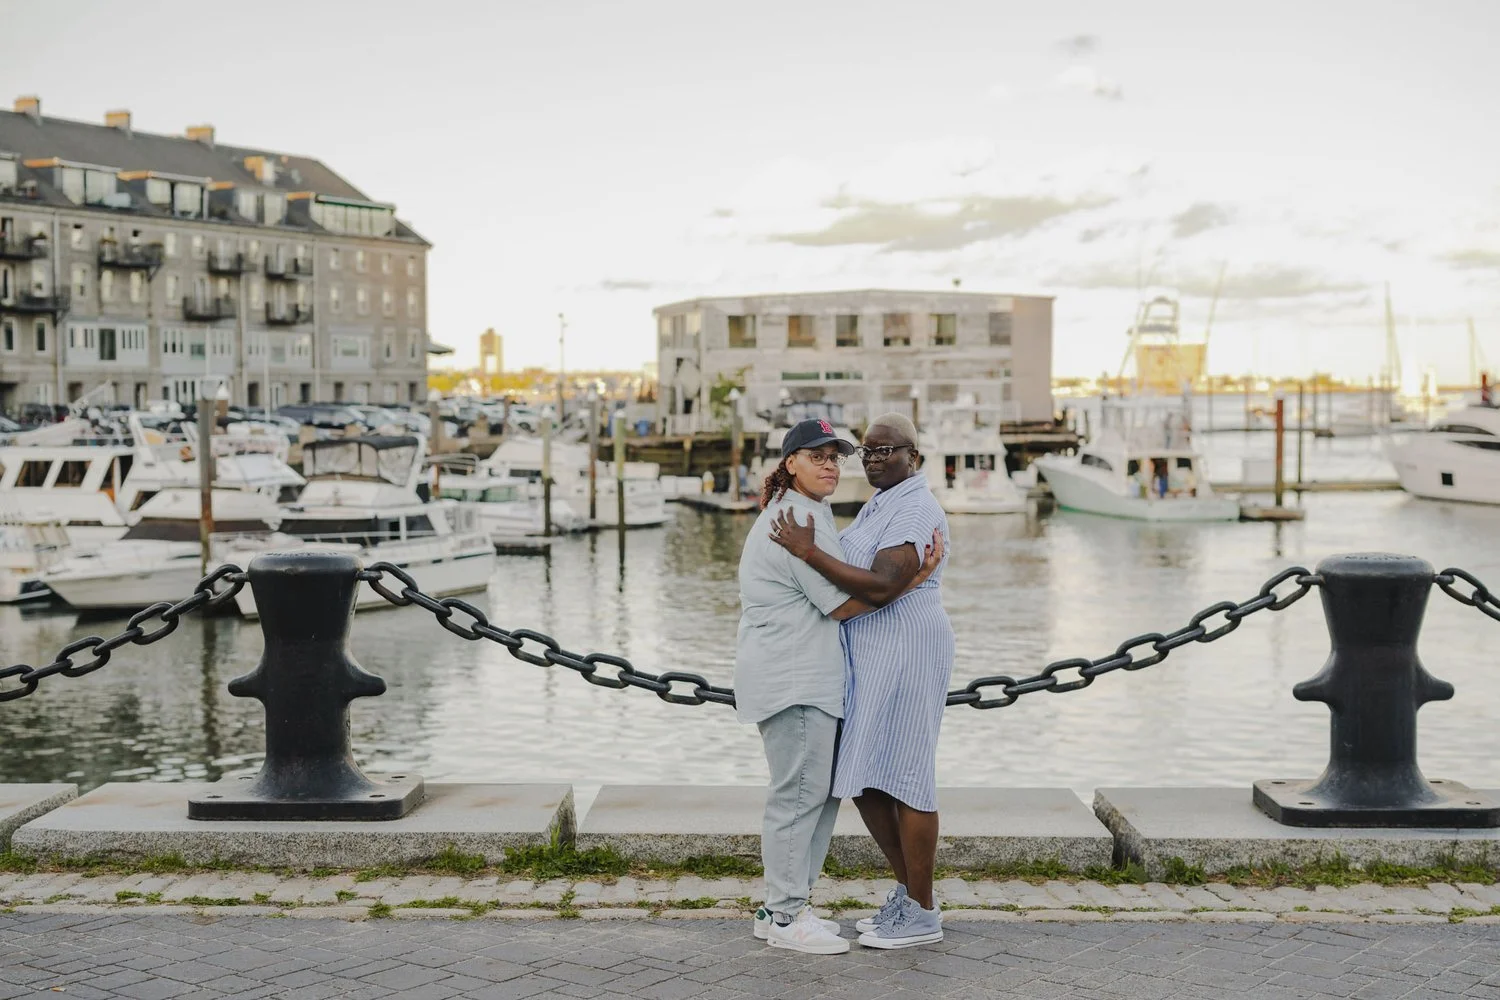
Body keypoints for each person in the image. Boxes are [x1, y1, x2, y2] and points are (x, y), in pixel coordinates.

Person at [736, 418, 940, 955]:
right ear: (791, 464)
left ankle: (786, 906)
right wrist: (914, 580)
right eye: (817, 456)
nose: (831, 465)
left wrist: (907, 577)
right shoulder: (796, 520)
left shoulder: (811, 516)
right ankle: (784, 915)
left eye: (836, 457)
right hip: (796, 677)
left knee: (813, 796)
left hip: (806, 675)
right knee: (798, 797)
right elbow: (849, 604)